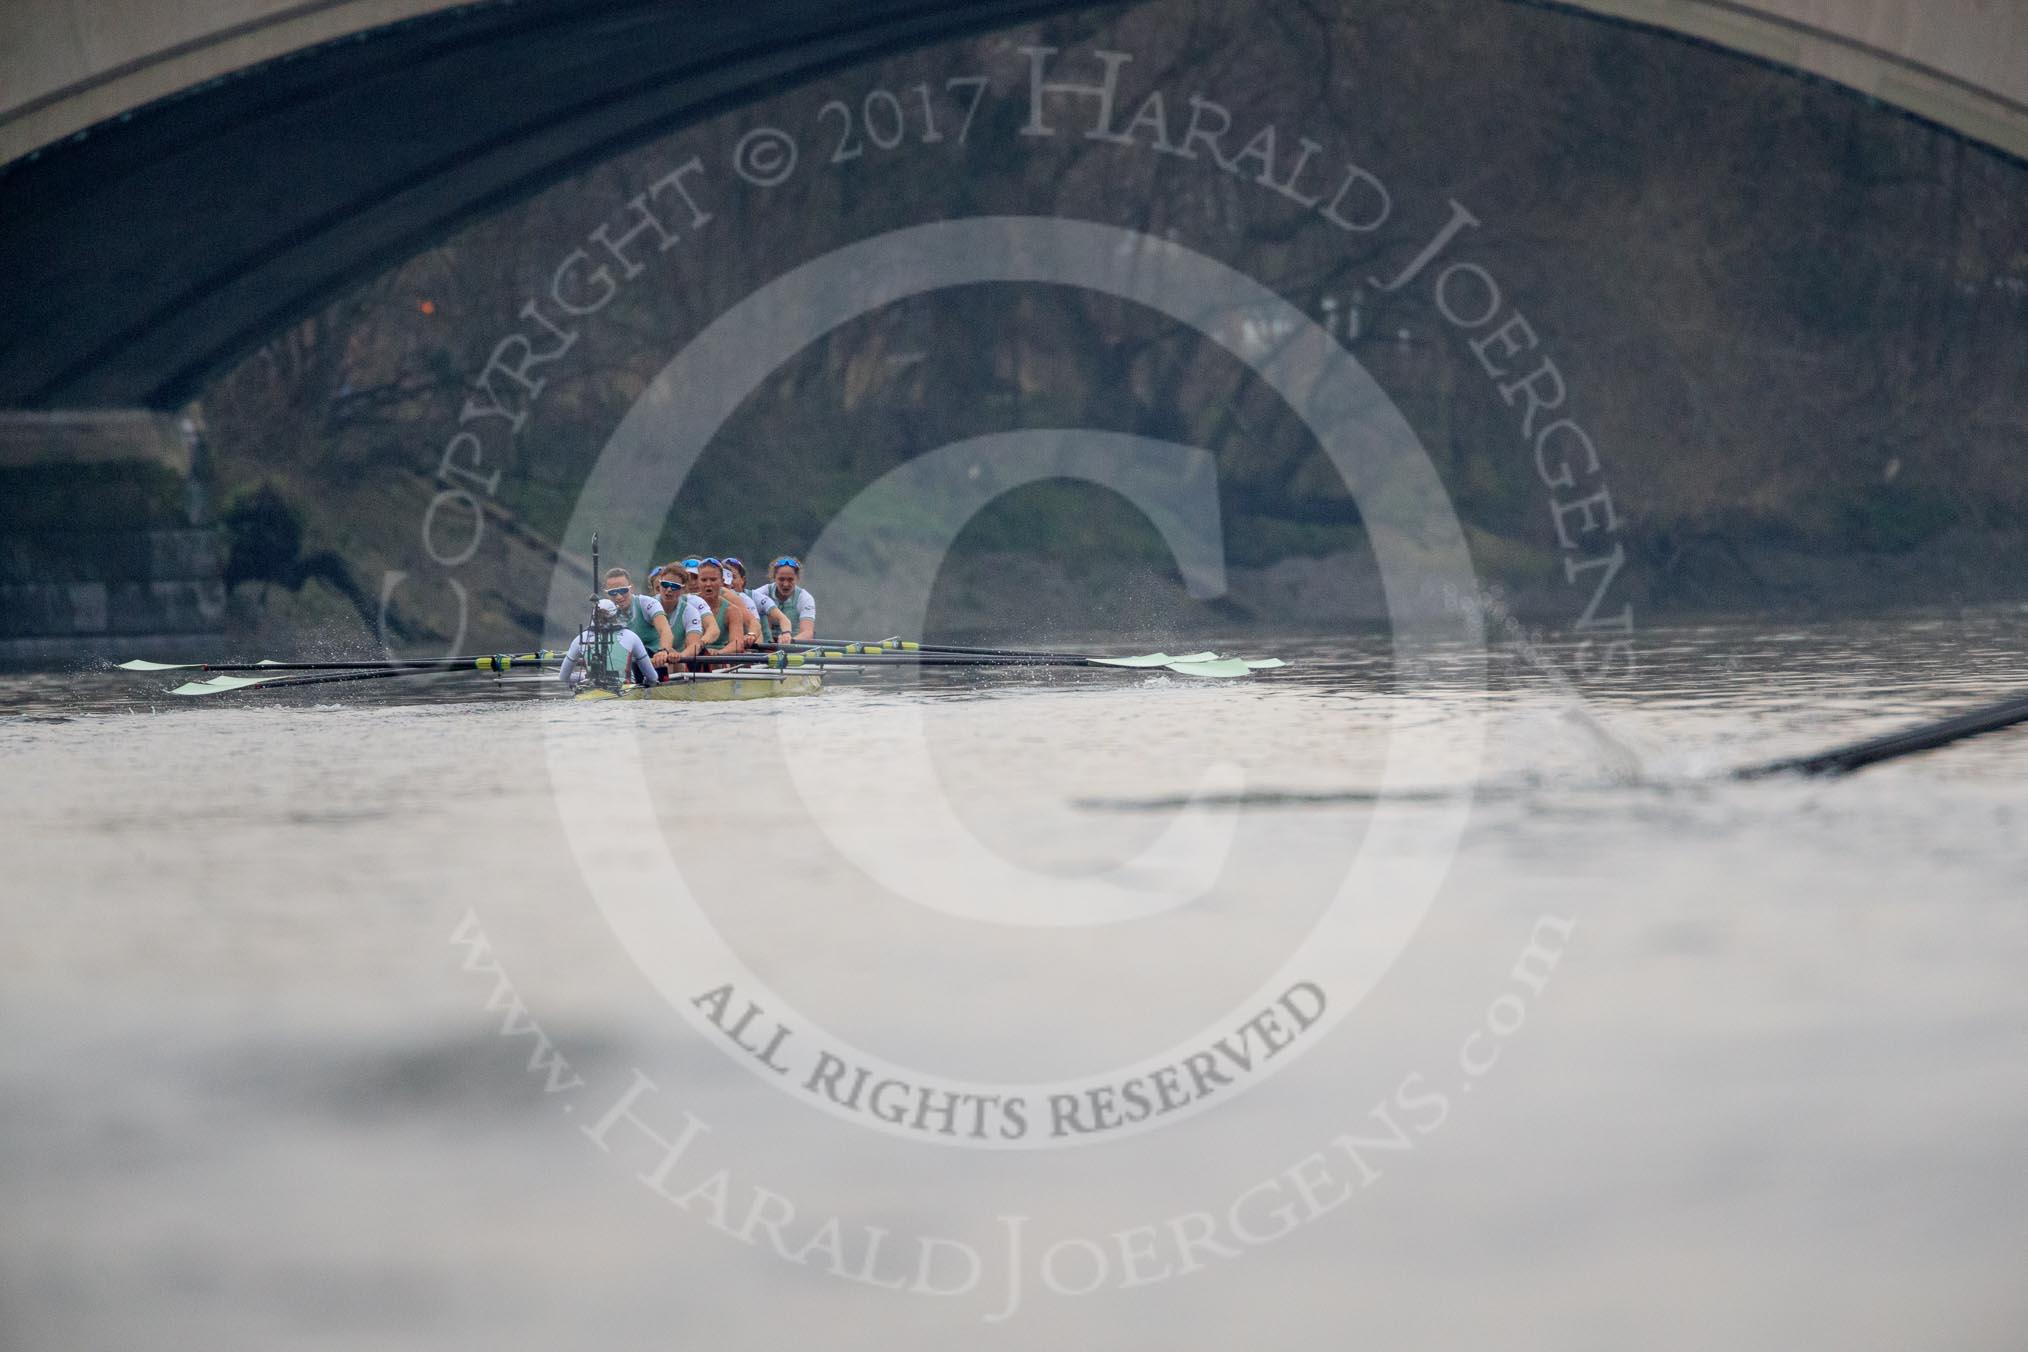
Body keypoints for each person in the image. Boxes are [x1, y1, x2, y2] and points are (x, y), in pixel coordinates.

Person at [559, 599, 660, 688]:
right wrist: (648, 683)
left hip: (591, 690)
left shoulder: (580, 638)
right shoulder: (631, 636)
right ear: (616, 615)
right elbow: (652, 677)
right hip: (625, 690)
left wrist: (583, 677)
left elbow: (563, 677)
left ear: (593, 616)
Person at [602, 567, 688, 669]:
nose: (619, 596)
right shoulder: (603, 612)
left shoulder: (647, 603)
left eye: (623, 590)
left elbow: (665, 631)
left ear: (631, 589)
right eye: (613, 592)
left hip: (654, 658)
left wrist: (663, 651)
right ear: (606, 594)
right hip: (625, 661)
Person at [647, 561, 717, 667]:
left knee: (672, 664)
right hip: (649, 657)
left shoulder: (690, 611)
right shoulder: (647, 605)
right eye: (665, 585)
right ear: (659, 585)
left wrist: (679, 656)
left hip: (677, 663)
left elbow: (694, 645)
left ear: (683, 589)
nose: (669, 590)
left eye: (675, 586)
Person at [693, 558, 760, 654]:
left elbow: (737, 644)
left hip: (720, 658)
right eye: (704, 580)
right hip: (692, 655)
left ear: (722, 581)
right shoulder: (688, 602)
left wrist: (718, 653)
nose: (708, 584)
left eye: (713, 579)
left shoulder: (732, 606)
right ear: (698, 582)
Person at [758, 555, 815, 644]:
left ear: (797, 578)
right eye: (781, 579)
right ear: (774, 578)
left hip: (793, 644)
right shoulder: (761, 593)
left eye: (790, 579)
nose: (785, 584)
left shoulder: (805, 598)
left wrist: (789, 641)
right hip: (765, 643)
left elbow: (807, 633)